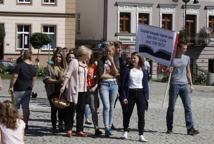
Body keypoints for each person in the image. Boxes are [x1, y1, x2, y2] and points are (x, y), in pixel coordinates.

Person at [166, 41, 199, 135]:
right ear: (179, 48)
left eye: (186, 48)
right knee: (171, 107)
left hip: (184, 85)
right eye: (184, 48)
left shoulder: (187, 58)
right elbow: (167, 72)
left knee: (188, 107)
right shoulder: (171, 59)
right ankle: (169, 127)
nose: (186, 50)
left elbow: (188, 71)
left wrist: (191, 84)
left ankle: (190, 129)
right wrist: (168, 71)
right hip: (174, 84)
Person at [60, 45, 92, 137]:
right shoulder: (74, 62)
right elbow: (68, 75)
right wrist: (64, 85)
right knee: (71, 110)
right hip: (74, 90)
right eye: (88, 55)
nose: (89, 57)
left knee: (81, 111)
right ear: (83, 54)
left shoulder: (85, 64)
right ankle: (69, 129)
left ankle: (79, 130)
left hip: (83, 90)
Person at [121, 52, 149, 142]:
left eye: (135, 58)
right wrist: (124, 97)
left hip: (140, 93)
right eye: (132, 58)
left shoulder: (143, 70)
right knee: (127, 114)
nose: (133, 60)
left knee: (141, 115)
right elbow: (123, 85)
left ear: (139, 59)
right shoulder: (127, 70)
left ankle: (141, 134)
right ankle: (125, 131)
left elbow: (145, 84)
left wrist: (146, 97)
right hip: (130, 93)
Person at [8, 50, 37, 130]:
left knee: (15, 107)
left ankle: (15, 122)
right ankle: (26, 124)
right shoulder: (33, 67)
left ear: (23, 56)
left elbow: (14, 77)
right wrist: (31, 88)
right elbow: (34, 80)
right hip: (28, 90)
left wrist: (10, 86)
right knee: (26, 107)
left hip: (18, 89)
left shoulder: (19, 66)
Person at [97, 42, 119, 136]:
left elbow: (117, 73)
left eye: (110, 51)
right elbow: (101, 75)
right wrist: (112, 75)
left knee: (111, 107)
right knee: (106, 106)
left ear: (113, 52)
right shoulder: (101, 60)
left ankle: (109, 126)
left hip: (114, 85)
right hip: (104, 85)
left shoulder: (116, 60)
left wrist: (112, 62)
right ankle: (106, 127)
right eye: (107, 51)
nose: (108, 52)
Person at [43, 50, 68, 133]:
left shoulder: (65, 68)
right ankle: (54, 126)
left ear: (62, 58)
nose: (58, 58)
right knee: (54, 109)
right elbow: (46, 79)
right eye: (56, 56)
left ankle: (61, 125)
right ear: (54, 57)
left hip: (62, 90)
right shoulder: (49, 67)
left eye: (60, 56)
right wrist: (57, 81)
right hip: (52, 90)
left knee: (61, 109)